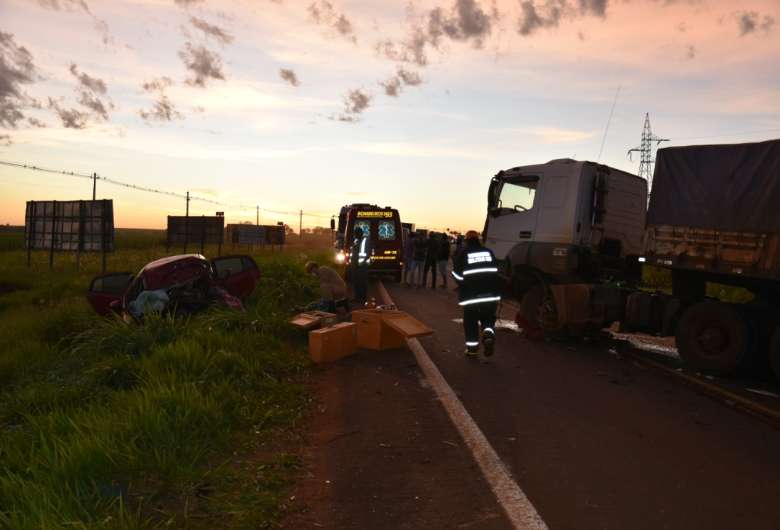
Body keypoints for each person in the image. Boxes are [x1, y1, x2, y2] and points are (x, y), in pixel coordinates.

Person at [451, 230, 501, 358]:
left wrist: (463, 284)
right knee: (488, 319)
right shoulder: (488, 252)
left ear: (466, 241)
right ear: (478, 240)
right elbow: (496, 271)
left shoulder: (464, 253)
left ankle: (472, 350)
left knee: (471, 323)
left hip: (471, 297)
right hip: (490, 295)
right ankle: (488, 333)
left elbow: (457, 274)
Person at [350, 226, 371, 304]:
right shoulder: (356, 240)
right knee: (356, 282)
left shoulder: (365, 240)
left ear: (360, 233)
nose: (354, 235)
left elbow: (368, 253)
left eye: (356, 233)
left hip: (362, 266)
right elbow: (353, 252)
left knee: (362, 282)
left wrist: (361, 263)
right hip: (355, 265)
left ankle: (363, 298)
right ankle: (357, 297)